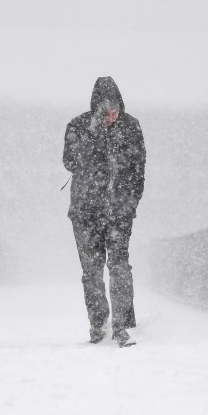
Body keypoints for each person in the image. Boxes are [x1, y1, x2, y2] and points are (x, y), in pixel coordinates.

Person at [62, 76, 146, 347]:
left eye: (115, 110)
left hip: (119, 212)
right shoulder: (78, 126)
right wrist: (95, 136)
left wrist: (129, 204)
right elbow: (70, 162)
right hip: (85, 212)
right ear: (96, 108)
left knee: (120, 267)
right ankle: (98, 324)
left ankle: (121, 325)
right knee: (92, 271)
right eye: (105, 111)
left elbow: (138, 169)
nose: (112, 116)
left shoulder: (131, 127)